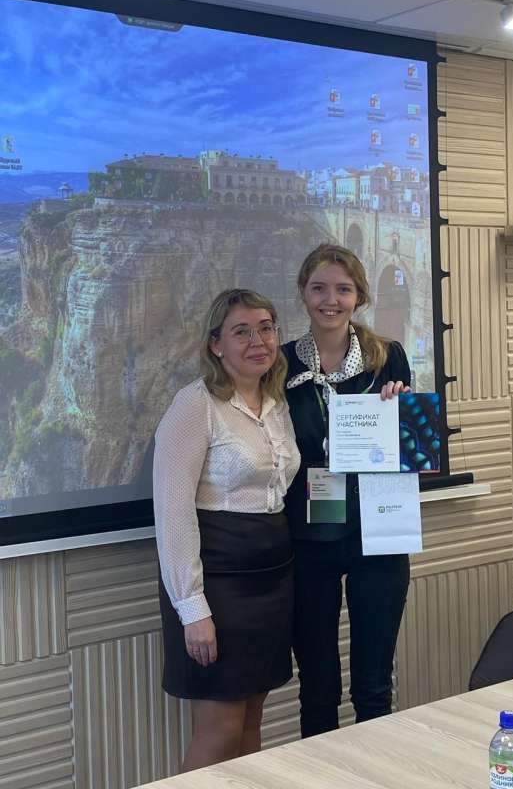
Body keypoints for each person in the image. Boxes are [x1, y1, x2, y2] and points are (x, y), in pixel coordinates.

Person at [153, 289, 300, 770]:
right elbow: (173, 512)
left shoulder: (276, 401)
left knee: (253, 721)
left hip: (272, 578)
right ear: (216, 344)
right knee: (220, 731)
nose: (259, 341)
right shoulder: (194, 405)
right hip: (218, 583)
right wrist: (192, 608)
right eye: (242, 331)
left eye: (266, 328)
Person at [283, 243, 412, 738]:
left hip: (377, 534)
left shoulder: (389, 357)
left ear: (359, 296)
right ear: (303, 293)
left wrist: (402, 412)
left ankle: (372, 770)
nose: (330, 300)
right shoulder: (281, 364)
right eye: (319, 288)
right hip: (308, 539)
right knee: (317, 689)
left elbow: (407, 447)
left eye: (343, 289)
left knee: (373, 687)